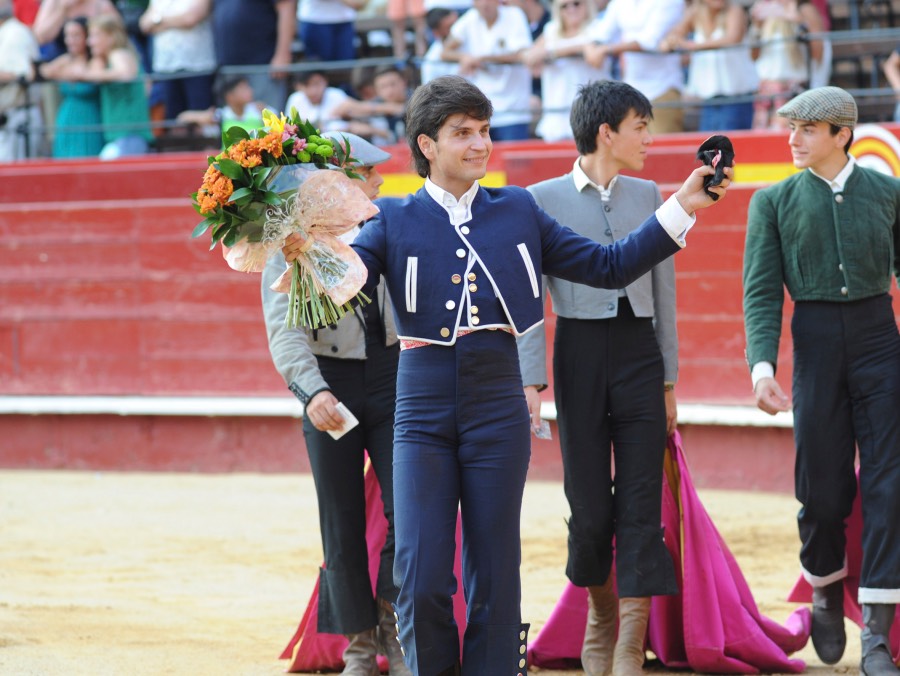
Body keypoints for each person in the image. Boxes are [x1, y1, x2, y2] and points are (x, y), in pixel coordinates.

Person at [282, 74, 730, 674]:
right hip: (419, 407)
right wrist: (304, 251)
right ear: (426, 145)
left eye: (485, 130)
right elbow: (340, 288)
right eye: (462, 133)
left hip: (496, 404)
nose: (480, 144)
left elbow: (608, 265)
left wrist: (683, 205)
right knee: (420, 572)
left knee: (496, 571)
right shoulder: (390, 217)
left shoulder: (517, 209)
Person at [517, 79, 679, 676]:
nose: (649, 138)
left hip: (640, 354)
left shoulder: (649, 193)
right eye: (641, 126)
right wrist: (531, 381)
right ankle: (602, 615)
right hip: (578, 354)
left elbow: (664, 292)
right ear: (606, 133)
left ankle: (631, 638)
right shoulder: (539, 199)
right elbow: (528, 300)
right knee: (586, 504)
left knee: (641, 498)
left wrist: (669, 381)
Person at [742, 86, 900, 676]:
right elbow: (761, 291)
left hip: (880, 341)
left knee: (890, 487)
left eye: (807, 129)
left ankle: (878, 633)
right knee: (823, 490)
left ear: (842, 135)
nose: (793, 138)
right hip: (814, 348)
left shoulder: (888, 193)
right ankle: (826, 588)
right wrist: (762, 368)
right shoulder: (773, 201)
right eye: (792, 127)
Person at [262, 132, 412, 676]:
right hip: (332, 385)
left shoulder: (389, 225)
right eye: (368, 174)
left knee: (408, 514)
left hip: (395, 379)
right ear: (338, 180)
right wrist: (313, 390)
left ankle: (394, 629)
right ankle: (358, 646)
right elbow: (285, 331)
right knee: (341, 520)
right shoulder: (291, 240)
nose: (379, 181)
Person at [584, 0, 686, 134]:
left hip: (663, 88)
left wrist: (604, 49)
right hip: (631, 92)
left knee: (662, 145)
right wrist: (592, 46)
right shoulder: (620, 3)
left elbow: (649, 41)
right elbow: (600, 33)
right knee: (632, 145)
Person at [440, 0, 534, 141]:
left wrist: (480, 59)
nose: (485, 4)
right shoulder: (470, 18)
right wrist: (465, 57)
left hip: (514, 111)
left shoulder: (514, 15)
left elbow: (522, 55)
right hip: (482, 112)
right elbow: (445, 52)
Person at [659, 0, 758, 132]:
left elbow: (733, 38)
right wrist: (670, 42)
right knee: (710, 143)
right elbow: (676, 34)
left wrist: (693, 46)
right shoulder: (696, 13)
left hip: (736, 96)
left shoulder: (734, 10)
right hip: (709, 97)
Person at [521, 0, 607, 142]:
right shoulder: (551, 29)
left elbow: (595, 57)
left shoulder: (598, 27)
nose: (571, 9)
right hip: (556, 115)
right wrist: (574, 49)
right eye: (564, 6)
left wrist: (551, 52)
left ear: (587, 5)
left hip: (590, 113)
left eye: (576, 3)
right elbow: (529, 58)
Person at [78, 13, 153, 158]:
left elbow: (125, 74)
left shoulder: (118, 53)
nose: (89, 42)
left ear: (111, 36)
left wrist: (85, 75)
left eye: (95, 36)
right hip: (122, 136)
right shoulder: (109, 58)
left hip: (130, 136)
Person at [749, 0, 828, 130]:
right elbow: (753, 56)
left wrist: (800, 23)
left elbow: (818, 53)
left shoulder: (805, 9)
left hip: (794, 92)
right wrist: (756, 26)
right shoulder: (765, 10)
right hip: (767, 94)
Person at [138, 0, 216, 122]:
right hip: (165, 68)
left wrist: (158, 20)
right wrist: (176, 20)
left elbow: (190, 19)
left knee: (202, 121)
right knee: (172, 123)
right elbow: (144, 25)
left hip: (198, 67)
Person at [38, 16, 105, 158]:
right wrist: (69, 74)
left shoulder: (96, 60)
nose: (70, 40)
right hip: (67, 117)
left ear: (86, 36)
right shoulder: (67, 59)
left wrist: (68, 74)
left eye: (76, 35)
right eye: (67, 36)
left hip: (89, 118)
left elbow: (93, 75)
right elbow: (44, 71)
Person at [211, 0, 295, 112]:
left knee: (268, 118)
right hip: (228, 68)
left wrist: (283, 54)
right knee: (232, 119)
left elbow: (286, 6)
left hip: (263, 65)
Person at [0, 0, 40, 162]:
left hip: (20, 117)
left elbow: (25, 74)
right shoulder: (5, 32)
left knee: (16, 172)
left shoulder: (15, 33)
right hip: (8, 119)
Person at [420, 7, 459, 84]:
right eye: (450, 27)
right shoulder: (431, 60)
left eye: (457, 24)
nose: (456, 30)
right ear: (436, 32)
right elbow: (429, 89)